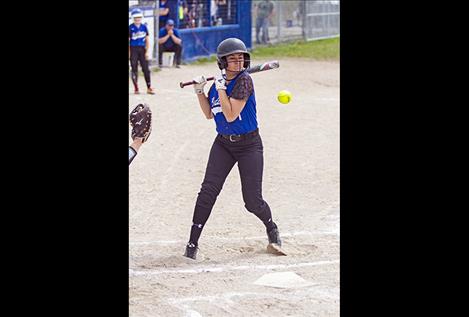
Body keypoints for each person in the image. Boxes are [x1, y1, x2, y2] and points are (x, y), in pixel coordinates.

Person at [183, 38, 285, 260]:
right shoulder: (216, 85)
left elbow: (230, 114)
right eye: (233, 58)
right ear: (222, 62)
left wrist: (220, 87)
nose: (239, 61)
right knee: (207, 192)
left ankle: (272, 228)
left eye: (241, 58)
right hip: (223, 144)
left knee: (252, 201)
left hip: (249, 145)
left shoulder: (245, 81)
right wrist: (200, 91)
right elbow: (209, 114)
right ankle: (192, 243)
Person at [129, 9, 155, 94]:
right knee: (134, 69)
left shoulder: (144, 27)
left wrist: (147, 51)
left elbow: (147, 39)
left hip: (142, 49)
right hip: (133, 49)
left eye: (139, 17)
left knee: (146, 69)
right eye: (136, 18)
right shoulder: (130, 27)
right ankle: (136, 88)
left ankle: (149, 86)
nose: (137, 19)